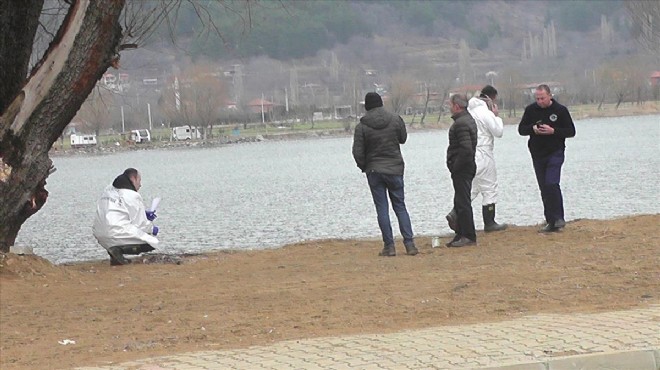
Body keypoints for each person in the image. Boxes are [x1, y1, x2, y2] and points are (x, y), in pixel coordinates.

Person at [352, 92, 418, 257]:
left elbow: (357, 152)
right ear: (381, 103)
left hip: (374, 170)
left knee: (382, 209)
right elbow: (403, 139)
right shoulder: (395, 119)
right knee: (400, 206)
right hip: (395, 168)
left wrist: (364, 166)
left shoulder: (361, 126)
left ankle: (389, 246)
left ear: (366, 106)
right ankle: (409, 244)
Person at [446, 85, 507, 233]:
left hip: (470, 153)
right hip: (484, 153)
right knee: (489, 187)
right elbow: (498, 132)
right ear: (491, 99)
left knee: (471, 188)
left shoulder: (469, 112)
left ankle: (455, 212)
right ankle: (490, 222)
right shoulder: (485, 113)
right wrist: (496, 116)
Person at [518, 84, 576, 232]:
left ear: (550, 96)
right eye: (537, 98)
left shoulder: (560, 110)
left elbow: (571, 131)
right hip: (537, 153)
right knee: (544, 186)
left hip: (555, 151)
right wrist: (533, 129)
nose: (540, 101)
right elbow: (521, 129)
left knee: (552, 183)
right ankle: (550, 220)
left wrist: (553, 131)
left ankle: (559, 218)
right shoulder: (531, 110)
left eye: (542, 98)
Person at [93, 168, 159, 265]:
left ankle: (115, 254)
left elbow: (117, 210)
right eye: (139, 181)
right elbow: (141, 224)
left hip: (99, 234)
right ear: (133, 179)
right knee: (153, 242)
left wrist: (144, 213)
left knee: (117, 235)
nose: (140, 185)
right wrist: (153, 229)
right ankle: (118, 250)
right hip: (116, 232)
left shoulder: (108, 190)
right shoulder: (133, 195)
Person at [445, 93, 478, 247]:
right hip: (466, 166)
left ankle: (468, 235)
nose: (449, 108)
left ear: (456, 106)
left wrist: (455, 166)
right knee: (459, 200)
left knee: (463, 202)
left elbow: (466, 149)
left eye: (450, 105)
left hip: (463, 168)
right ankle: (460, 233)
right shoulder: (467, 120)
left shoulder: (461, 124)